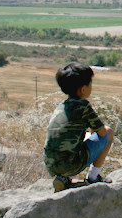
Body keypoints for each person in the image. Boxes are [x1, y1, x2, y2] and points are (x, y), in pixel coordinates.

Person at [44, 62, 115, 192]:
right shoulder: (84, 106)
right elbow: (102, 132)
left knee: (77, 141)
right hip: (72, 164)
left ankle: (64, 178)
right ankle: (93, 177)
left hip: (51, 165)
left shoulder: (61, 106)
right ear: (83, 89)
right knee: (109, 133)